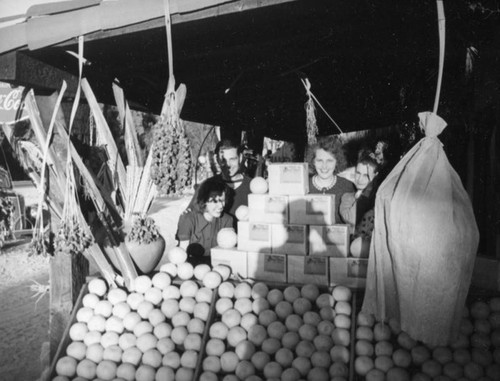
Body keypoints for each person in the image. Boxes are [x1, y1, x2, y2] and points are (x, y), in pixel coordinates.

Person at [187, 139, 252, 224]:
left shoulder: (253, 187)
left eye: (232, 159)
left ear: (240, 158)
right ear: (217, 159)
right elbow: (189, 218)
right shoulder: (207, 186)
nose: (228, 165)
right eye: (223, 160)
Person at [176, 178, 234, 265]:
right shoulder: (187, 219)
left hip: (217, 267)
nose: (221, 206)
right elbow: (181, 257)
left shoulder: (227, 220)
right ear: (204, 201)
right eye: (215, 201)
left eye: (223, 200)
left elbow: (227, 255)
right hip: (190, 267)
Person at [307, 136, 356, 223]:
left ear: (337, 162)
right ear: (313, 161)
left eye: (329, 161)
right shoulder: (304, 186)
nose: (324, 166)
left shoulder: (348, 186)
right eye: (319, 160)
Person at [339, 149, 381, 238]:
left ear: (375, 177)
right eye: (358, 173)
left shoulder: (379, 198)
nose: (359, 179)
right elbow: (351, 219)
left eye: (366, 175)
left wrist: (372, 183)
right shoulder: (347, 197)